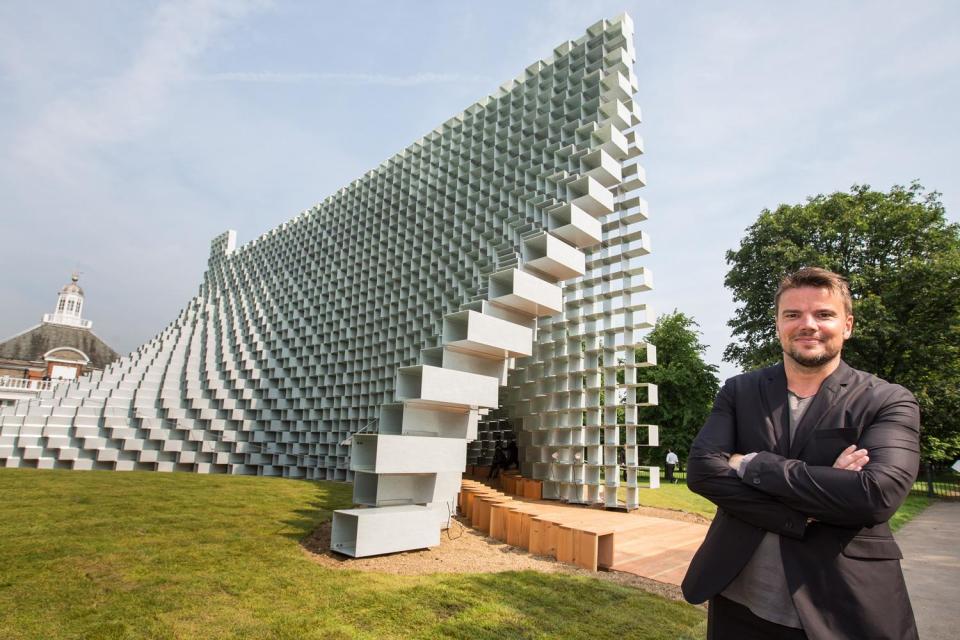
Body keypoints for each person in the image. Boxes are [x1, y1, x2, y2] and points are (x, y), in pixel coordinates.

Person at [681, 267, 920, 639]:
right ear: (778, 325)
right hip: (738, 598)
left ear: (848, 325)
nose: (807, 324)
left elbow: (876, 494)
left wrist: (752, 463)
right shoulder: (739, 391)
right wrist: (812, 502)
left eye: (824, 314)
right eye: (792, 314)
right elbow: (702, 471)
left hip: (841, 606)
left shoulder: (887, 399)